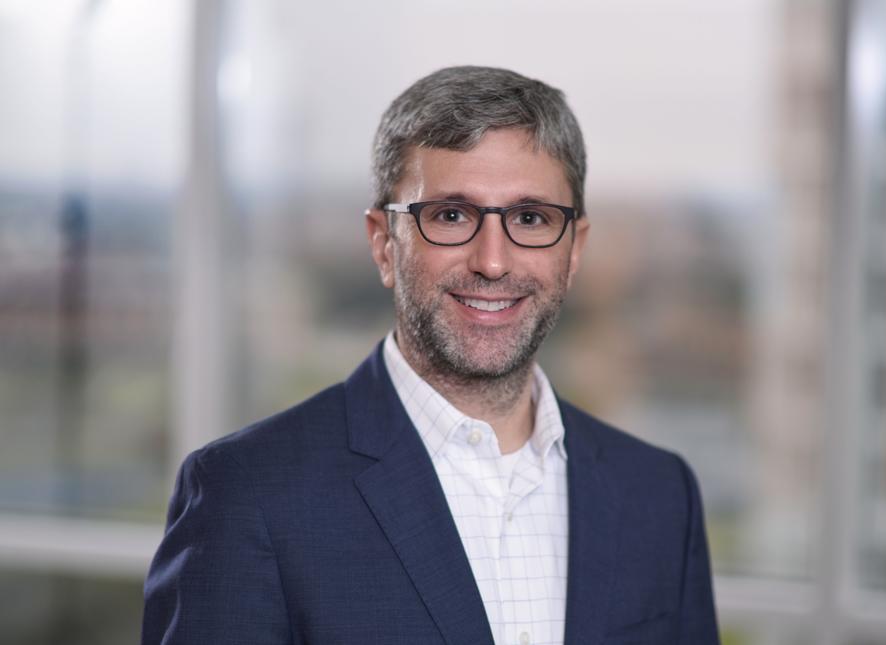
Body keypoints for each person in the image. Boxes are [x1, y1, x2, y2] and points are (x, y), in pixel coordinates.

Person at [142, 65, 719, 645]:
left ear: (574, 251)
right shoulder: (249, 495)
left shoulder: (659, 494)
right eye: (450, 216)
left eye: (530, 218)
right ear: (383, 244)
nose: (493, 261)